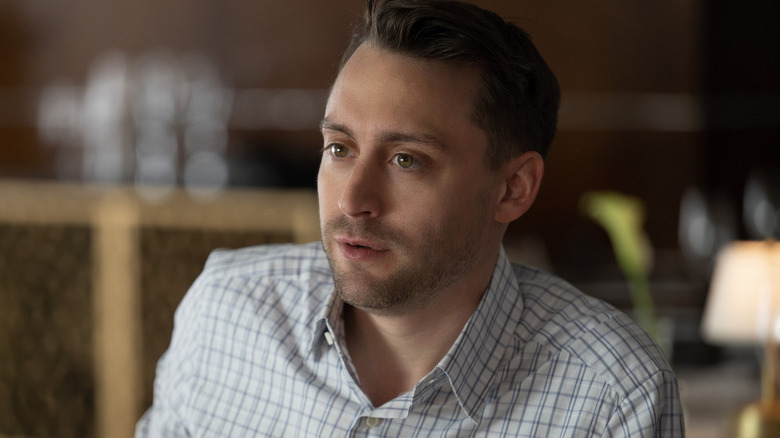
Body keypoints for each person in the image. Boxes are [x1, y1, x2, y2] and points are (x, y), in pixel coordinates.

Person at [137, 0, 685, 436]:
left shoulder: (611, 399)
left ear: (513, 189)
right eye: (339, 148)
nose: (353, 201)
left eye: (406, 160)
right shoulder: (225, 312)